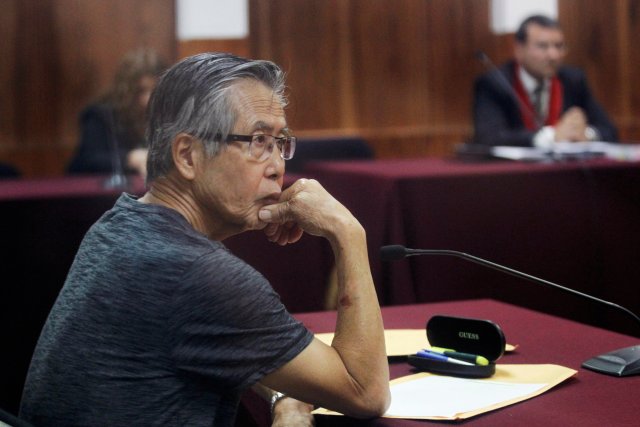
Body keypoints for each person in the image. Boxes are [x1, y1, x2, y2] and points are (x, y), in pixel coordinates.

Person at [20, 52, 391, 426]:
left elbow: (217, 344)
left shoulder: (119, 224)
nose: (279, 166)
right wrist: (348, 231)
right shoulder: (197, 273)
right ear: (188, 155)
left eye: (281, 142)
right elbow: (366, 391)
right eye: (258, 140)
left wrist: (284, 395)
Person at [473, 15, 618, 148]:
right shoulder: (494, 83)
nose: (553, 55)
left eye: (559, 46)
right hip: (514, 174)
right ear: (519, 49)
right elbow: (490, 138)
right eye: (543, 46)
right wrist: (552, 136)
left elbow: (610, 131)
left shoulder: (573, 80)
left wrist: (585, 133)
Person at [66, 48, 167, 177]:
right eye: (140, 91)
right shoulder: (101, 115)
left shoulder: (169, 115)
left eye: (155, 90)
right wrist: (130, 158)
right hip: (108, 194)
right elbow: (87, 161)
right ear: (126, 90)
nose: (148, 99)